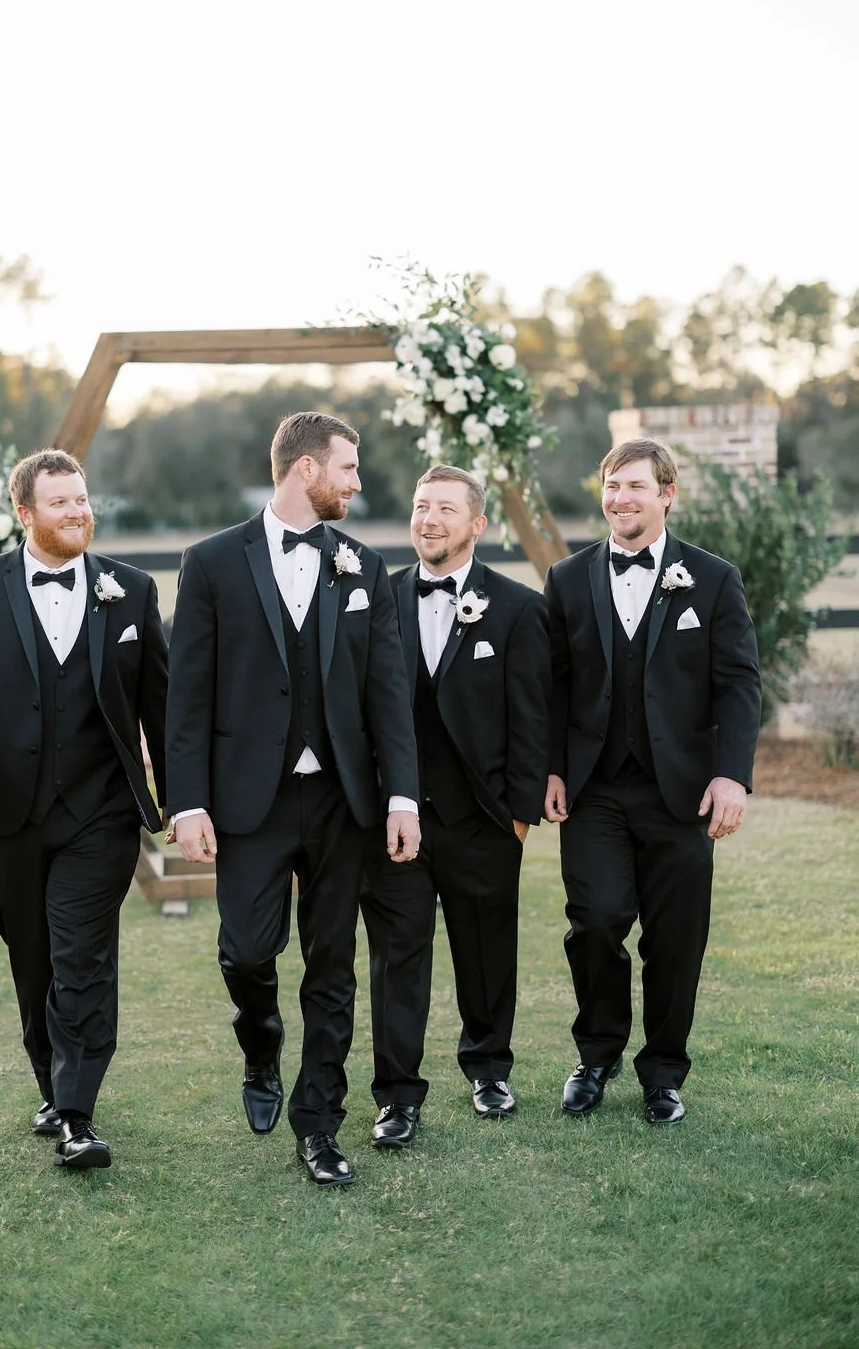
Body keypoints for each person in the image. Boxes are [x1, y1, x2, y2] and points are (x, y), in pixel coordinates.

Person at [165, 411, 420, 1187]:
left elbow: (388, 693)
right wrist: (188, 802)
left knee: (333, 967)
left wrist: (403, 794)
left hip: (344, 800)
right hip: (250, 800)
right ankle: (261, 1041)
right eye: (347, 468)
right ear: (305, 471)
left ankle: (318, 1126)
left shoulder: (363, 568)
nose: (357, 482)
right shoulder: (210, 564)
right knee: (245, 951)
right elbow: (188, 696)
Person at [0, 448, 168, 1170]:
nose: (78, 512)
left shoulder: (132, 589)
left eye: (82, 498)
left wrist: (182, 802)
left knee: (81, 956)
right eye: (60, 502)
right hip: (3, 813)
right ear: (25, 514)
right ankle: (51, 1085)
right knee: (33, 960)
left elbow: (163, 704)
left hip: (100, 813)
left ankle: (78, 1116)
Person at [543, 438, 761, 1124]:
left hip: (684, 791)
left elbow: (738, 686)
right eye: (611, 485)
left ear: (668, 493)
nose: (620, 499)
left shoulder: (713, 579)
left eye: (635, 486)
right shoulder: (568, 579)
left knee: (676, 937)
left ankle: (664, 1072)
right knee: (598, 921)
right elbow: (550, 686)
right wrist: (549, 766)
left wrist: (732, 776)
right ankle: (597, 1055)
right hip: (595, 789)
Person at [360, 466, 551, 1148]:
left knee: (486, 950)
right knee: (397, 957)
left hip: (484, 821)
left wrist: (518, 817)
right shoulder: (375, 599)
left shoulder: (521, 609)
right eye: (420, 507)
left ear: (478, 524)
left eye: (445, 508)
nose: (429, 519)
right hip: (396, 822)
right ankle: (396, 1095)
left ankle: (489, 1067)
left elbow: (533, 721)